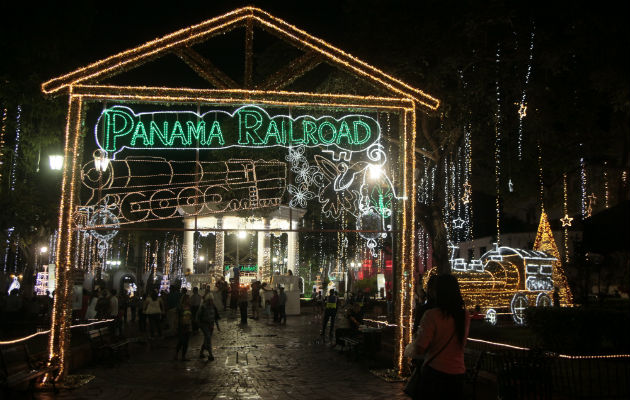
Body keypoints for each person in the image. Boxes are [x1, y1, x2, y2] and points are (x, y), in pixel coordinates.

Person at [410, 274, 470, 399]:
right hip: (458, 373)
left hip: (435, 373)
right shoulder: (464, 316)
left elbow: (420, 347)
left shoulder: (431, 316)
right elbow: (461, 343)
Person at [197, 296, 220, 361]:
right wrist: (199, 324)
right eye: (209, 300)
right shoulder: (203, 307)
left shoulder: (213, 307)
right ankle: (210, 354)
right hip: (204, 324)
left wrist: (217, 326)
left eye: (211, 300)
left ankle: (201, 352)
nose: (211, 302)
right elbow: (198, 316)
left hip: (211, 325)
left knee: (207, 338)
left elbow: (215, 317)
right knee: (208, 338)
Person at [174, 294, 193, 361]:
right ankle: (176, 354)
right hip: (181, 326)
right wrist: (176, 326)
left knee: (186, 342)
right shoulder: (180, 307)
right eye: (188, 299)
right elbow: (177, 317)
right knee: (181, 341)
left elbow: (190, 317)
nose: (189, 300)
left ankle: (183, 356)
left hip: (187, 325)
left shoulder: (189, 307)